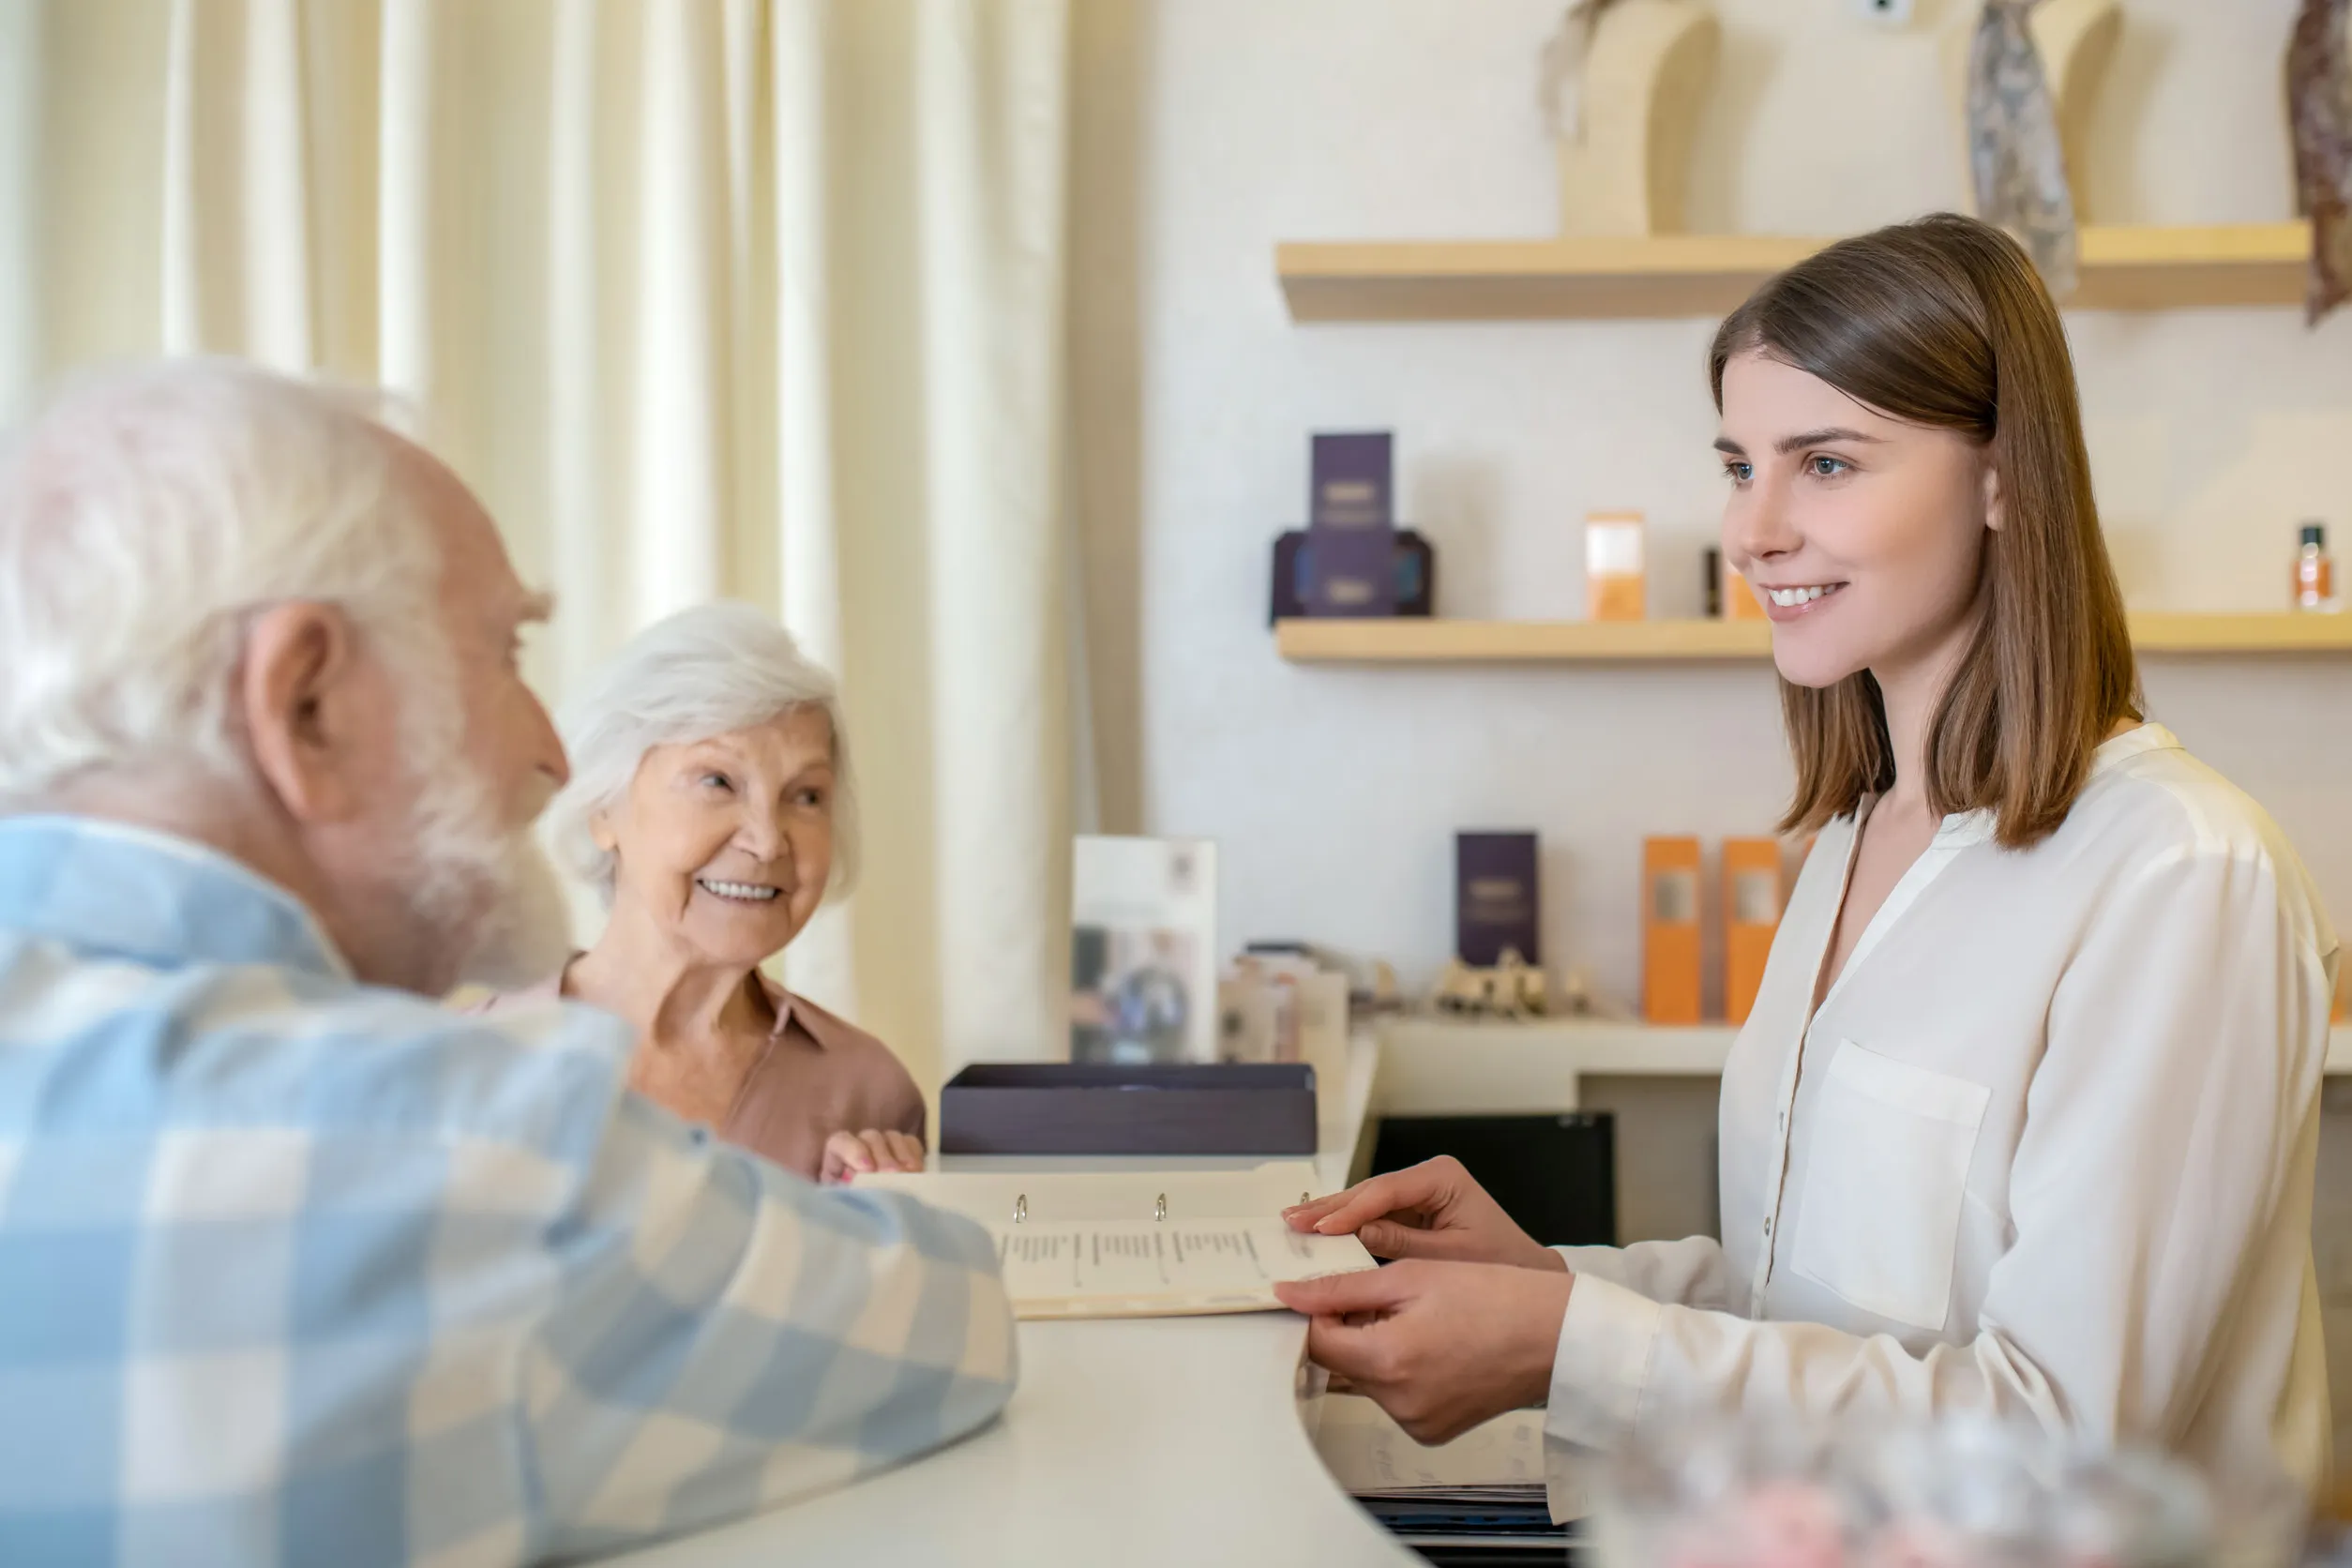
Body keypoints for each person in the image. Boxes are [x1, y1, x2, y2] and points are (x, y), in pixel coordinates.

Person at [1276, 215, 2338, 1499]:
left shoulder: (2180, 872)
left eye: (1826, 463)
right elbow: (1812, 1303)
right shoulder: (1854, 841)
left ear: (2006, 477)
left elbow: (2069, 1442)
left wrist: (1571, 1350)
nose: (1752, 529)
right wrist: (1550, 1288)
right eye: (1740, 464)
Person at [0, 359, 1016, 1565]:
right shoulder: (453, 1140)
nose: (548, 745)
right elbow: (959, 1322)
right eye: (502, 653)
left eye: (805, 795)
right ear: (305, 701)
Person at [476, 603, 926, 1184]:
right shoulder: (461, 1066)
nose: (767, 841)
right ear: (601, 809)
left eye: (807, 796)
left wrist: (884, 1223)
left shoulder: (870, 1094)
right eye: (717, 781)